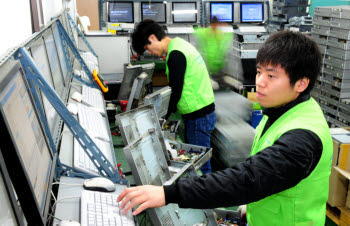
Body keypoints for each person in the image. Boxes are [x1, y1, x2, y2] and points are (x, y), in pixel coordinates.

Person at [118, 30, 333, 225]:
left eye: (271, 76)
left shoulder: (303, 138)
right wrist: (253, 206)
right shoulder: (281, 108)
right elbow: (268, 175)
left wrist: (168, 193)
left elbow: (248, 179)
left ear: (301, 83)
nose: (260, 82)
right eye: (259, 72)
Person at [131, 19, 216, 174]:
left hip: (198, 116)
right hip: (200, 112)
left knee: (200, 166)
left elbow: (175, 92)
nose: (150, 53)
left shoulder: (176, 54)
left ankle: (209, 197)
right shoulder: (179, 45)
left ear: (152, 38)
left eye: (147, 48)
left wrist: (159, 118)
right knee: (197, 162)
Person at [194, 16, 233, 89]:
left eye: (216, 25)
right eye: (213, 24)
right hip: (206, 70)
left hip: (218, 71)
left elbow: (223, 53)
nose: (214, 26)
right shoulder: (203, 33)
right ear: (210, 24)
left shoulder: (220, 34)